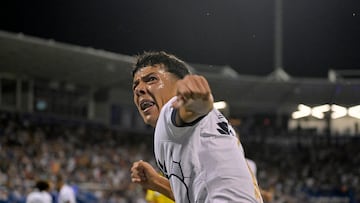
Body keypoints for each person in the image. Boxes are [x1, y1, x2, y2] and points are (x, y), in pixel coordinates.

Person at [130, 51, 263, 202]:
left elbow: (193, 108)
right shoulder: (211, 128)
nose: (138, 89)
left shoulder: (170, 111)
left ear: (180, 84)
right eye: (135, 85)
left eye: (151, 79)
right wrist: (158, 183)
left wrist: (198, 100)